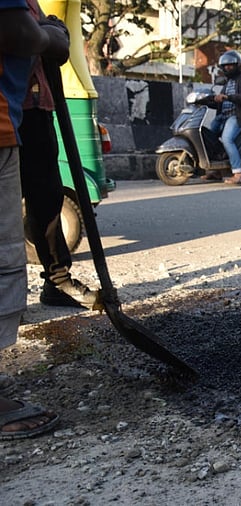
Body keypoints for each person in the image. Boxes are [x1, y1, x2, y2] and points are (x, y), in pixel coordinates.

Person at [0, 0, 69, 440]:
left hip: (21, 116)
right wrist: (49, 37)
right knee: (1, 258)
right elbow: (17, 31)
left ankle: (58, 274)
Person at [20, 0, 100, 310]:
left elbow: (59, 47)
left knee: (48, 198)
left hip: (37, 109)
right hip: (11, 110)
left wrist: (50, 33)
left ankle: (57, 281)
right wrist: (47, 35)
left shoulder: (30, 2)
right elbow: (26, 40)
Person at [202, 49, 241, 185]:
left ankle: (238, 173)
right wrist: (208, 100)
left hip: (238, 116)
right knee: (209, 136)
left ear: (237, 65)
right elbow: (220, 102)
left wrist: (228, 97)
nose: (227, 68)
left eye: (230, 65)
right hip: (223, 116)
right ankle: (217, 170)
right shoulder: (228, 82)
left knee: (227, 139)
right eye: (225, 66)